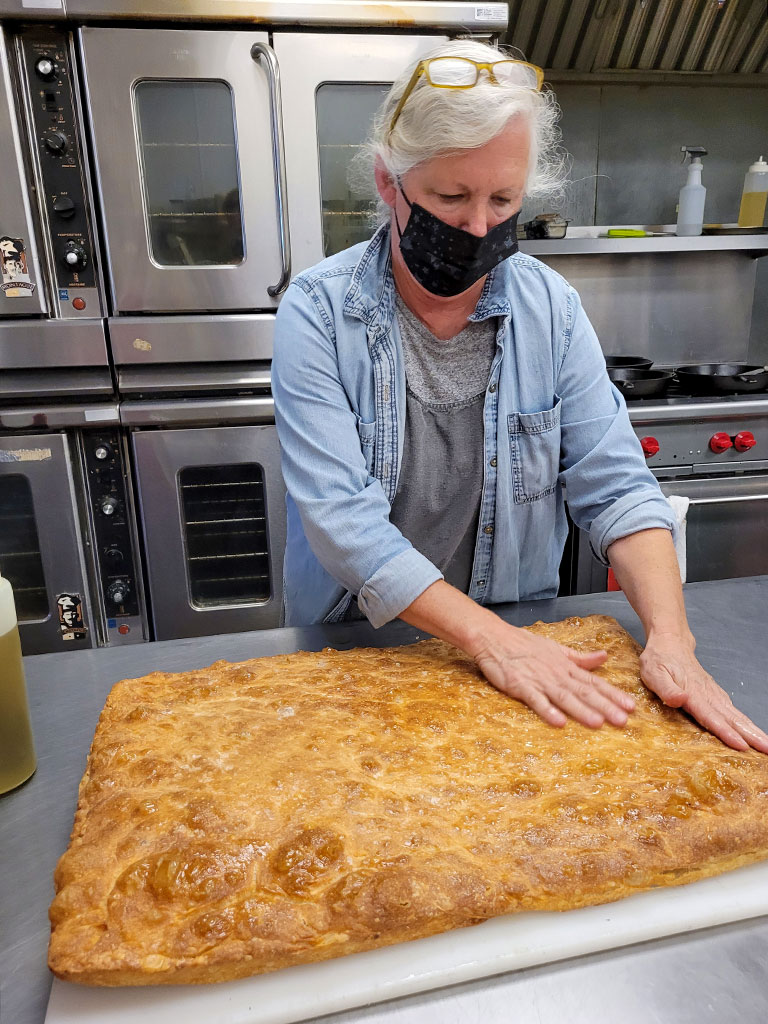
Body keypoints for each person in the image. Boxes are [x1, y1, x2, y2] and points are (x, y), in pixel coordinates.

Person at [272, 39, 768, 754]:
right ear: (389, 182)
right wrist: (489, 642)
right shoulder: (319, 314)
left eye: (503, 199)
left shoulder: (553, 310)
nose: (479, 227)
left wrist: (672, 638)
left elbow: (617, 487)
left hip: (522, 651)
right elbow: (342, 522)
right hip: (356, 646)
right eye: (450, 197)